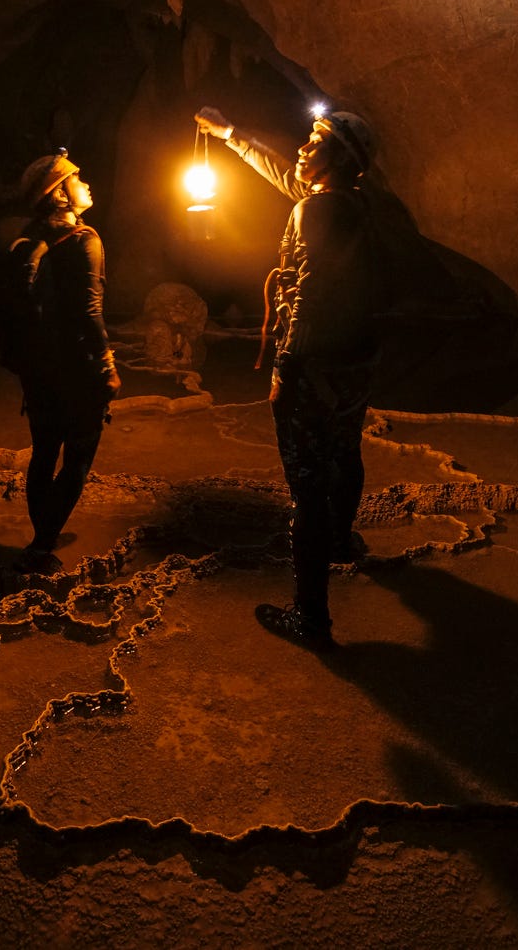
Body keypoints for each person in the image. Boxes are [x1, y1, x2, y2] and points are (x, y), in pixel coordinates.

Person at [195, 104, 380, 649]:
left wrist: (287, 369)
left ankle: (311, 618)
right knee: (345, 451)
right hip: (353, 362)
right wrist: (233, 135)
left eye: (316, 141)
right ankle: (343, 541)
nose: (303, 147)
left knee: (306, 488)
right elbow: (287, 175)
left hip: (312, 363)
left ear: (341, 159)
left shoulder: (314, 214)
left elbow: (312, 298)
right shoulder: (353, 205)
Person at [0, 151, 121, 574]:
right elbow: (89, 311)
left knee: (44, 451)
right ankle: (42, 542)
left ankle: (41, 533)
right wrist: (107, 365)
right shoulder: (84, 239)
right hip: (77, 368)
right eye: (76, 178)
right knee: (79, 458)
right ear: (61, 193)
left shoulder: (30, 236)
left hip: (38, 367)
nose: (85, 183)